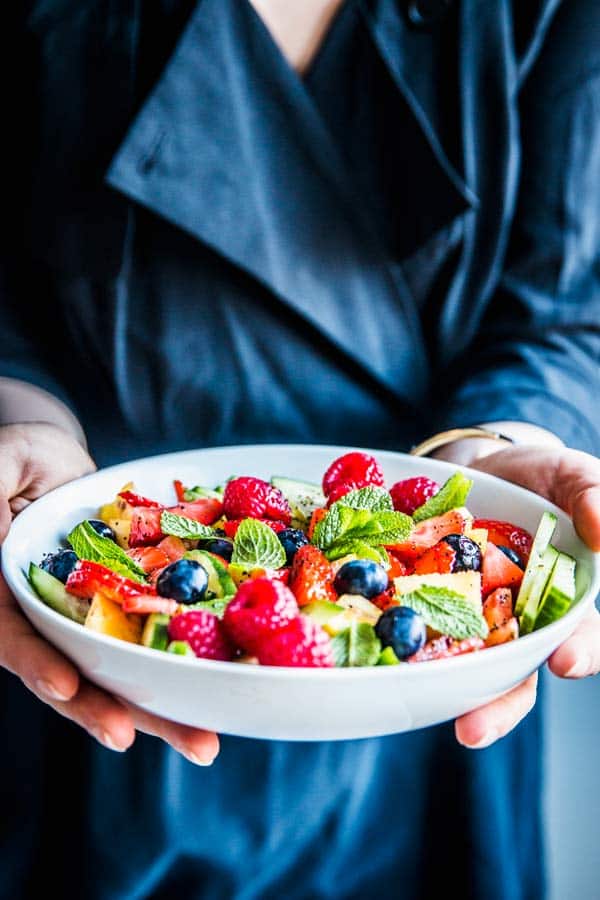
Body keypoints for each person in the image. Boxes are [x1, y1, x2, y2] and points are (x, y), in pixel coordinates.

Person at [1, 1, 599, 897]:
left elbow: (558, 310)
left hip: (430, 684)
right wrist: (23, 422)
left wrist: (497, 452)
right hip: (100, 659)